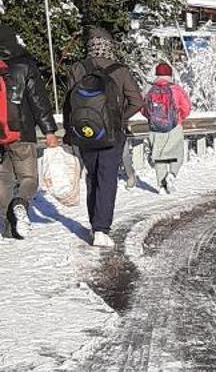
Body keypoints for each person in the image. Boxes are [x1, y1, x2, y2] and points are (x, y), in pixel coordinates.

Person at [64, 25, 144, 249]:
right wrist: (119, 118)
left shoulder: (77, 68)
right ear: (109, 46)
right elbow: (137, 101)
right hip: (113, 134)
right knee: (107, 178)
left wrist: (71, 133)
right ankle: (101, 229)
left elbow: (69, 103)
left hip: (85, 133)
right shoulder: (120, 70)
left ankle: (94, 224)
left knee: (92, 177)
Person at [0, 20, 59, 241]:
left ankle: (6, 226)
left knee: (3, 179)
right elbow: (38, 101)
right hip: (22, 131)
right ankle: (20, 204)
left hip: (0, 133)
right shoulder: (24, 65)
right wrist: (49, 130)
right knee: (28, 178)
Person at [140, 60, 191, 191]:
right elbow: (187, 107)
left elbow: (143, 109)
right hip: (174, 127)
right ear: (170, 74)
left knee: (159, 157)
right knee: (177, 154)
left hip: (155, 129)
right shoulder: (176, 89)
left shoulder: (150, 90)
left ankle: (162, 186)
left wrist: (152, 119)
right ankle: (172, 175)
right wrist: (179, 118)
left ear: (156, 74)